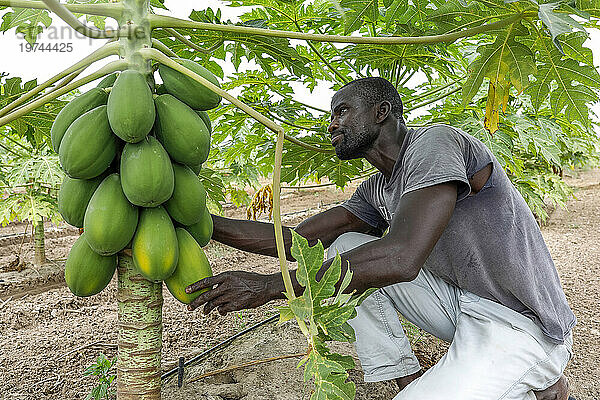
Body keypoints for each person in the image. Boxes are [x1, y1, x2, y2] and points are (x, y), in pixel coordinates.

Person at [185, 77, 576, 400]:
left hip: (520, 322)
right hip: (464, 305)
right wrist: (196, 221)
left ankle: (536, 370)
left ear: (381, 112)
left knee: (374, 259)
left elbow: (402, 258)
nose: (332, 125)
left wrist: (271, 287)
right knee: (345, 247)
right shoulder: (377, 188)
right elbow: (296, 242)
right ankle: (411, 379)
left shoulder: (435, 144)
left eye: (342, 112)